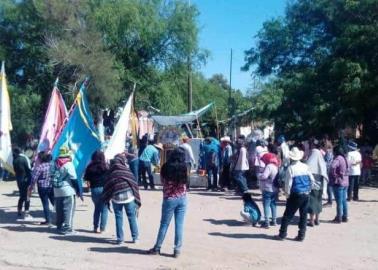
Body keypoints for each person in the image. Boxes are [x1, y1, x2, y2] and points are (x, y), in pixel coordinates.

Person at [148, 148, 188, 258]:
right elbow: (186, 182)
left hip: (169, 198)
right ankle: (177, 250)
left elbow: (162, 181)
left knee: (164, 224)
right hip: (183, 198)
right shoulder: (184, 167)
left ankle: (157, 248)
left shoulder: (165, 166)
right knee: (179, 225)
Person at [277, 147, 315, 241]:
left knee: (288, 215)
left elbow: (288, 184)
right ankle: (301, 235)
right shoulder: (305, 166)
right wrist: (309, 189)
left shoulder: (291, 168)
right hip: (305, 194)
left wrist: (287, 194)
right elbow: (312, 180)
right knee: (303, 215)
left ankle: (282, 234)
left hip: (296, 194)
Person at [102, 154, 141, 244]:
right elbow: (133, 184)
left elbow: (107, 186)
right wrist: (136, 198)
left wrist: (107, 197)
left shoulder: (111, 173)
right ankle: (135, 238)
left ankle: (120, 239)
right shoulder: (127, 171)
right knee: (132, 217)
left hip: (116, 198)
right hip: (129, 197)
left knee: (118, 218)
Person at [52, 146, 81, 235]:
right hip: (67, 189)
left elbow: (50, 175)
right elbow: (74, 178)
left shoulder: (54, 163)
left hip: (56, 189)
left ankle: (59, 226)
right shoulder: (68, 164)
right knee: (69, 209)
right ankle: (68, 229)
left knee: (59, 208)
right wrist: (78, 190)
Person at [84, 150, 109, 233]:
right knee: (104, 209)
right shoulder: (105, 167)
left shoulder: (90, 167)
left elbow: (86, 179)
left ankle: (95, 227)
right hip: (104, 189)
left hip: (94, 189)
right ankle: (102, 228)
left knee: (97, 208)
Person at [306, 139, 328, 226]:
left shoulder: (313, 154)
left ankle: (311, 220)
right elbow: (324, 171)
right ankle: (317, 219)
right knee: (318, 200)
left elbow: (307, 168)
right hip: (320, 181)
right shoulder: (320, 156)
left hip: (312, 182)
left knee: (312, 200)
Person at [28, 151, 54, 225]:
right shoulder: (52, 165)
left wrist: (31, 187)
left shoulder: (40, 167)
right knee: (54, 202)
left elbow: (34, 178)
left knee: (45, 204)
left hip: (42, 187)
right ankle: (61, 218)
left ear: (40, 158)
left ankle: (48, 220)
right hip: (51, 186)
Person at [257, 152, 279, 228]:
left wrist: (259, 175)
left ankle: (266, 222)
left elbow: (264, 176)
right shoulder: (276, 166)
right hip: (275, 188)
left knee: (266, 205)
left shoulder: (269, 166)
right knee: (273, 204)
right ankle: (274, 220)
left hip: (267, 188)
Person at [329, 145, 349, 223]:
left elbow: (332, 167)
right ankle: (345, 216)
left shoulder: (337, 159)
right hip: (346, 181)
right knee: (344, 200)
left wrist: (334, 175)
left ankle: (338, 217)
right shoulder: (345, 158)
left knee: (339, 202)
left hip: (338, 182)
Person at [13, 147, 32, 219]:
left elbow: (15, 170)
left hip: (19, 180)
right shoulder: (24, 159)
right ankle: (26, 213)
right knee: (27, 197)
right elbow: (28, 170)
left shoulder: (15, 160)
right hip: (26, 180)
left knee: (21, 196)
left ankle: (19, 211)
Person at [323, 140, 334, 206]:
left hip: (328, 170)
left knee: (329, 185)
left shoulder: (328, 152)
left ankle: (330, 201)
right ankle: (330, 200)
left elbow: (327, 162)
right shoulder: (331, 151)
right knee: (329, 185)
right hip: (330, 169)